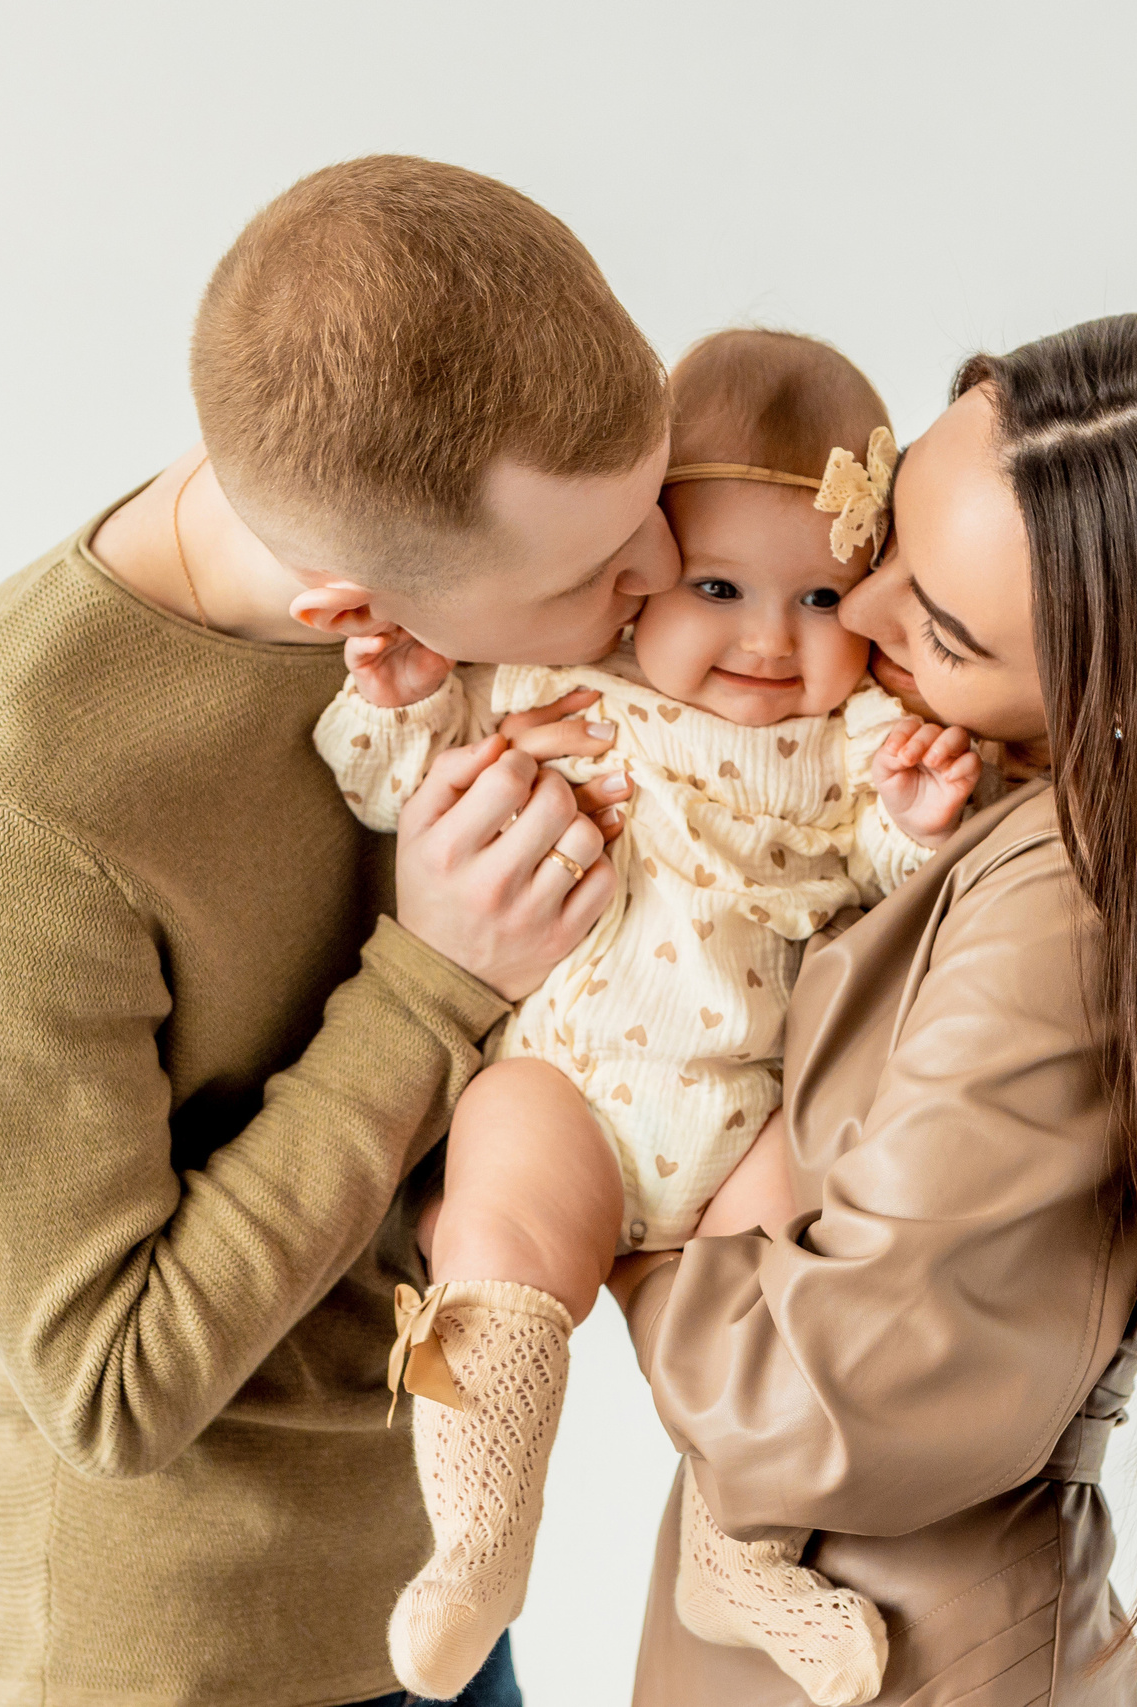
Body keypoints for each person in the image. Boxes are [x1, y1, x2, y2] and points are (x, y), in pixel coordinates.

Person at [0, 155, 680, 1707]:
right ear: (356, 618)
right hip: (181, 1651)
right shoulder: (9, 798)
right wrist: (431, 981)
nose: (654, 585)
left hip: (437, 1578)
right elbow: (107, 1389)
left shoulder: (464, 602)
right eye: (594, 574)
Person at [609, 311, 1137, 1706]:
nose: (853, 616)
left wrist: (580, 1197)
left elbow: (824, 1395)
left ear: (1118, 692)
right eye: (893, 542)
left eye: (934, 624)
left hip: (905, 1656)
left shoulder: (1064, 908)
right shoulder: (969, 799)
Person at [315, 330, 980, 1701]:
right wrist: (403, 693)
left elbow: (912, 892)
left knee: (802, 1285)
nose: (766, 638)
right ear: (638, 576)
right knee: (500, 1211)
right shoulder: (561, 687)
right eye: (720, 585)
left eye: (819, 599)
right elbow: (397, 786)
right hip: (574, 1086)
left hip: (746, 1115)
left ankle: (741, 1551)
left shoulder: (853, 746)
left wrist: (919, 823)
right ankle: (482, 1535)